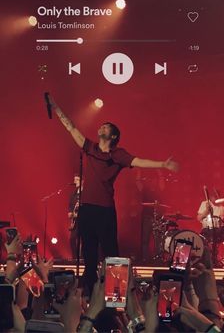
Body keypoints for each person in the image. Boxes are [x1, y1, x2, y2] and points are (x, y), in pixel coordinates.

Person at [48, 95, 179, 295]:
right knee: (89, 256)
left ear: (113, 136)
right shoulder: (90, 147)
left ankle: (115, 295)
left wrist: (163, 164)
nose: (101, 127)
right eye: (101, 125)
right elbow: (71, 127)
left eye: (106, 126)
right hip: (86, 209)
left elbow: (139, 161)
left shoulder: (118, 154)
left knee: (111, 254)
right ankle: (88, 296)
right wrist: (56, 108)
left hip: (105, 210)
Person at [68, 174, 83, 261]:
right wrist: (70, 212)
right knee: (72, 239)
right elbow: (70, 204)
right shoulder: (73, 194)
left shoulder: (85, 193)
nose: (74, 182)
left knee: (83, 240)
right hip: (75, 221)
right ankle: (74, 257)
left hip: (83, 220)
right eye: (74, 179)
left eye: (77, 180)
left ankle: (83, 258)